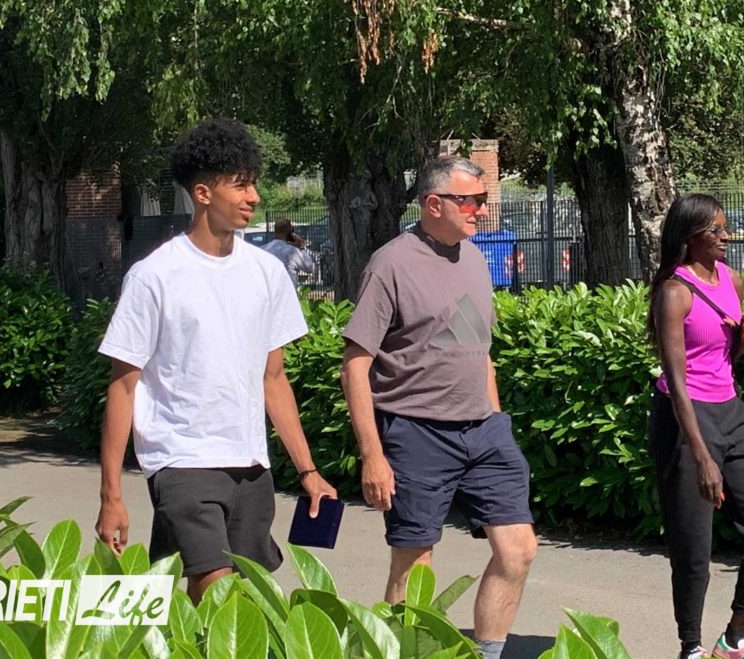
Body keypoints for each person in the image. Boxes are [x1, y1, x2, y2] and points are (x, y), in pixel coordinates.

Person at [95, 118, 336, 604]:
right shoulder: (154, 277)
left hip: (250, 464)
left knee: (232, 604)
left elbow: (273, 379)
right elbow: (123, 387)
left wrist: (309, 472)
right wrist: (111, 496)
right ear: (203, 194)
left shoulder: (267, 273)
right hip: (180, 461)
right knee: (219, 589)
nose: (255, 197)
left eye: (254, 183)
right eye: (241, 185)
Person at [340, 156, 537, 659]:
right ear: (433, 204)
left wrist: (497, 421)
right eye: (471, 201)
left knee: (518, 549)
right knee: (414, 563)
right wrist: (373, 455)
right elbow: (356, 365)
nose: (482, 211)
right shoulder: (391, 264)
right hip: (415, 433)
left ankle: (487, 654)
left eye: (483, 201)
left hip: (484, 432)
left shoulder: (473, 259)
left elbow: (478, 348)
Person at [647, 194, 744, 659]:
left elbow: (720, 360)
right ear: (690, 237)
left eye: (725, 228)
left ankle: (736, 634)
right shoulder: (674, 292)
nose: (726, 237)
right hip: (685, 419)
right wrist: (702, 456)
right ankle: (690, 646)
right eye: (716, 230)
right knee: (693, 550)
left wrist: (742, 343)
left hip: (731, 412)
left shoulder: (732, 280)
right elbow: (677, 380)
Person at [262, 218, 317, 290]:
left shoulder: (263, 249)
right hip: (287, 292)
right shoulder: (291, 251)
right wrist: (301, 247)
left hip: (267, 290)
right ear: (289, 232)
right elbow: (309, 267)